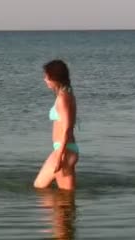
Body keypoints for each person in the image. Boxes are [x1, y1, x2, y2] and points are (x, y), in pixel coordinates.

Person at [34, 60, 79, 191]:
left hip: (64, 151)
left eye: (47, 76)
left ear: (55, 78)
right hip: (64, 150)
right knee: (64, 196)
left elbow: (67, 128)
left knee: (42, 188)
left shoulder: (63, 97)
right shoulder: (66, 93)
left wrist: (59, 157)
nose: (45, 80)